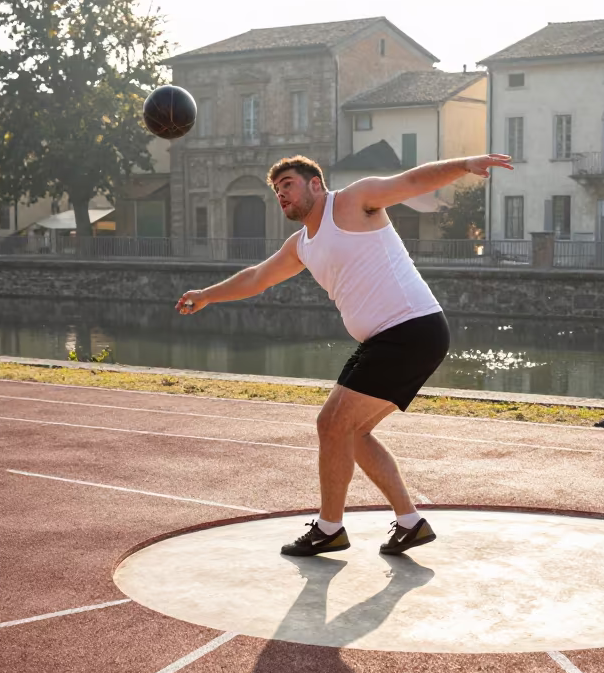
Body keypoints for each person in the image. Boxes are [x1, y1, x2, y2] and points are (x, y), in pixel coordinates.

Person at [176, 152, 513, 557]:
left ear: (315, 184)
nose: (281, 193)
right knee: (351, 433)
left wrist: (465, 164)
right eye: (277, 189)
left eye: (289, 184)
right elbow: (257, 278)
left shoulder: (354, 201)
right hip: (388, 339)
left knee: (331, 423)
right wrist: (207, 296)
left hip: (411, 329)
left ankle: (329, 528)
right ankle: (411, 523)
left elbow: (410, 182)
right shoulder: (301, 244)